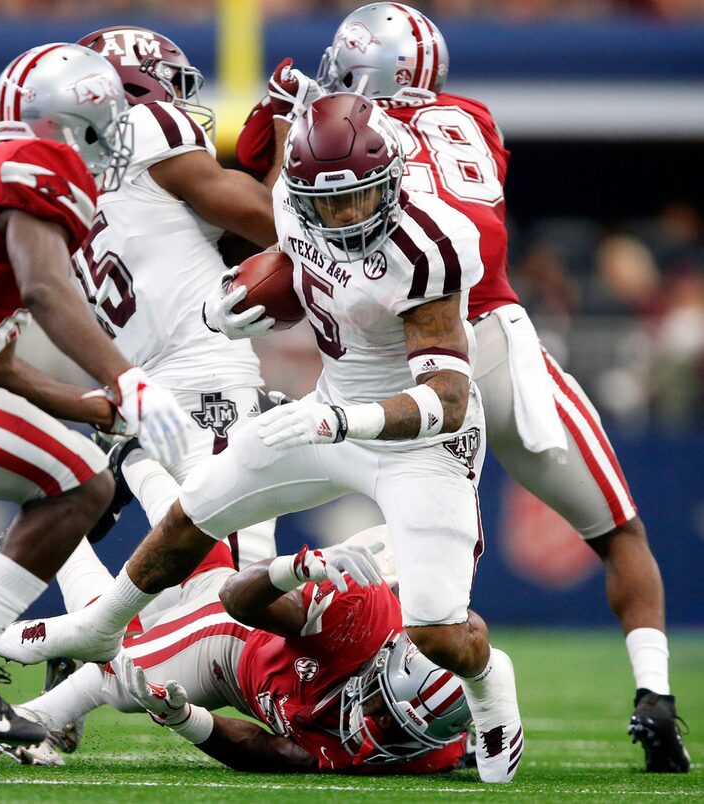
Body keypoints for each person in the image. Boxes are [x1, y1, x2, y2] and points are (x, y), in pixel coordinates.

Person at [0, 92, 524, 784]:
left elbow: (448, 400)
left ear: (391, 179)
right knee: (199, 508)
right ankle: (101, 624)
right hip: (332, 410)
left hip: (418, 439)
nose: (345, 217)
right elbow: (300, 271)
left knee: (436, 630)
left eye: (360, 200)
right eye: (328, 204)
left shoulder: (432, 244)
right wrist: (232, 304)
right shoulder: (297, 210)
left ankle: (492, 685)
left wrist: (339, 420)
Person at [237, 2, 690, 774]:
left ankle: (371, 672)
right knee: (617, 530)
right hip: (500, 342)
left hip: (409, 352)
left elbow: (287, 211)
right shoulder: (471, 118)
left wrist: (289, 109)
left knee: (425, 543)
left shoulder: (338, 130)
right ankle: (654, 694)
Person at [0, 42, 190, 748]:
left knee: (78, 472)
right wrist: (126, 377)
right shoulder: (43, 165)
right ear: (77, 116)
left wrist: (94, 407)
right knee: (82, 483)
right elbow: (47, 290)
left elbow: (2, 367)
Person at [0, 526, 473, 774]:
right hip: (231, 646)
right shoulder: (355, 615)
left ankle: (111, 481)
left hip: (252, 661)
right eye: (382, 708)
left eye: (399, 730)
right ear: (387, 659)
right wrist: (298, 568)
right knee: (116, 669)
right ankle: (26, 719)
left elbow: (277, 753)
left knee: (195, 549)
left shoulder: (428, 749)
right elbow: (237, 601)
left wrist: (189, 721)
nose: (376, 727)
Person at [72, 25, 279, 571]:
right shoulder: (144, 124)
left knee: (189, 577)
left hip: (145, 383)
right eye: (170, 84)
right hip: (205, 371)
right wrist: (289, 139)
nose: (181, 101)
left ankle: (92, 637)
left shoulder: (67, 173)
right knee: (242, 578)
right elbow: (273, 222)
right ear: (132, 87)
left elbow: (215, 238)